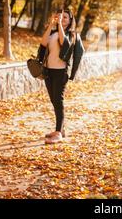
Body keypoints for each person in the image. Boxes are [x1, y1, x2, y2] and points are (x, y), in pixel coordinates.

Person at [36, 8, 85, 144]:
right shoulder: (52, 32)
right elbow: (43, 44)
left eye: (65, 17)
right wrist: (52, 25)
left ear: (70, 21)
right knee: (54, 101)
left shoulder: (72, 34)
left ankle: (58, 133)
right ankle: (60, 130)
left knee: (58, 100)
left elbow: (64, 44)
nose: (62, 20)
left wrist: (59, 27)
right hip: (48, 71)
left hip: (61, 71)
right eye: (60, 17)